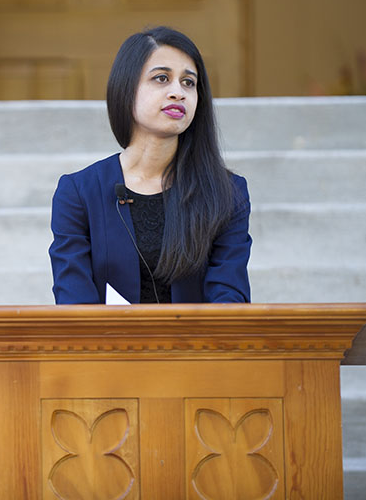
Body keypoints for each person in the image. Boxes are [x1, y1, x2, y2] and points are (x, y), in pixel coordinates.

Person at [49, 27, 251, 304]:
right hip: (107, 345)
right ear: (126, 89)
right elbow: (74, 303)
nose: (177, 92)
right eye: (161, 78)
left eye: (188, 83)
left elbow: (229, 299)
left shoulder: (228, 193)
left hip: (197, 346)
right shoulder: (79, 192)